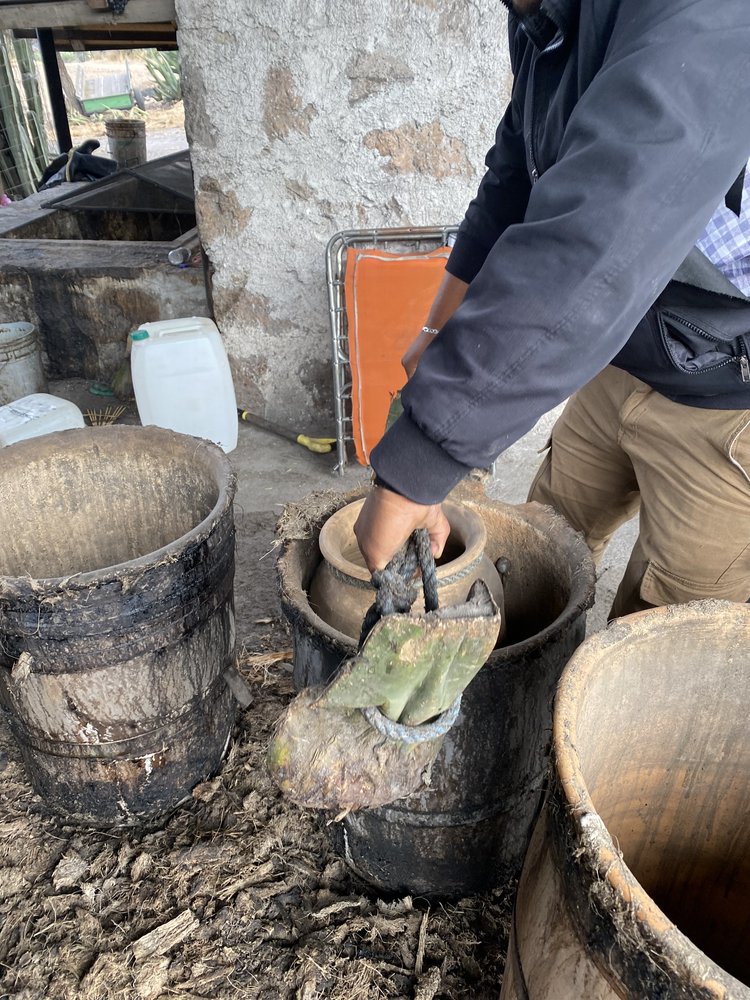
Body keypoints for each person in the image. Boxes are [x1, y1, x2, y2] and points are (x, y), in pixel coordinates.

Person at [354, 0, 750, 617]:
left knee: (657, 630)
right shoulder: (545, 16)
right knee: (540, 549)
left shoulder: (705, 17)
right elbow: (515, 175)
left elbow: (598, 238)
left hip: (728, 391)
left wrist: (418, 465)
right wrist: (437, 327)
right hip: (620, 345)